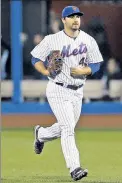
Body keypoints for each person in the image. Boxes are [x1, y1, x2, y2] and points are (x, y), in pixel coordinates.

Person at [30, 6, 103, 181]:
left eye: (77, 16)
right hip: (58, 89)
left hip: (78, 91)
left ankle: (40, 134)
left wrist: (85, 71)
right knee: (68, 129)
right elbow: (35, 58)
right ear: (63, 20)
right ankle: (75, 168)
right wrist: (46, 72)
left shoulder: (88, 40)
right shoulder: (52, 40)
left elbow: (96, 64)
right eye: (71, 17)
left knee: (65, 127)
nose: (75, 19)